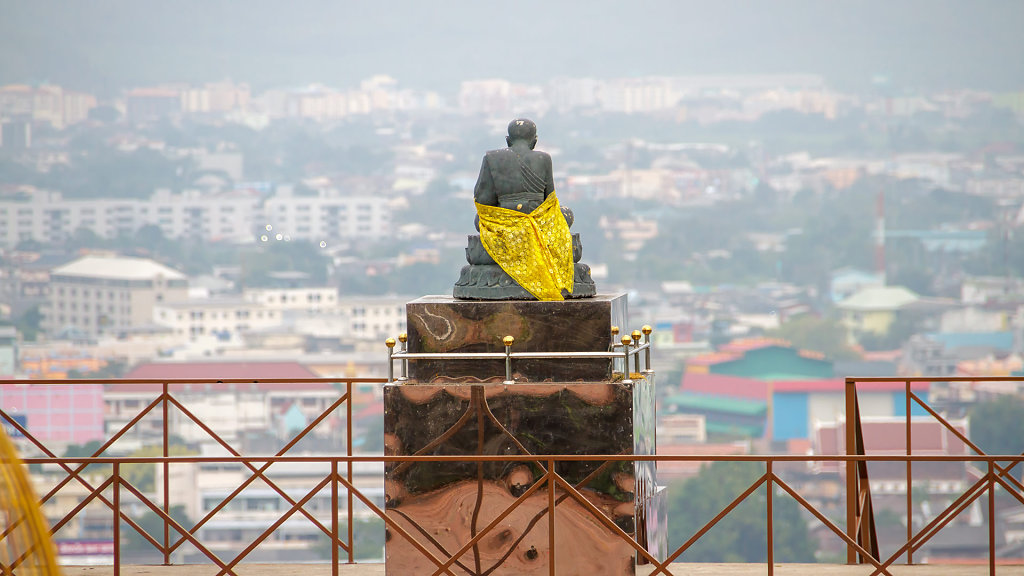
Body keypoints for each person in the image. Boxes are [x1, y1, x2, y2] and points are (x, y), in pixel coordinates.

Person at [472, 119, 574, 301]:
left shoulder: (491, 158)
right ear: (534, 141)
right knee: (566, 216)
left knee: (478, 220)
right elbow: (549, 200)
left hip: (505, 224)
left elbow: (483, 199)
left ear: (507, 140)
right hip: (537, 223)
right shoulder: (544, 158)